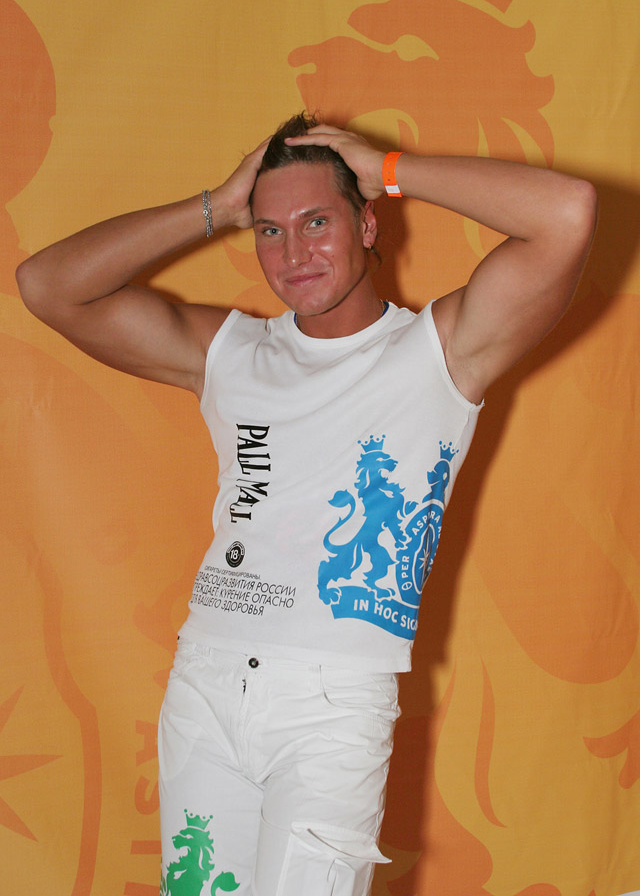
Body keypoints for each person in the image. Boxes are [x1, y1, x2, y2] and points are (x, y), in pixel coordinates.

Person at [16, 112, 597, 896]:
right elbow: (46, 285)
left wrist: (387, 169)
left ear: (367, 223)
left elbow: (567, 213)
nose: (293, 253)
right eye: (269, 230)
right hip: (207, 687)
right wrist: (217, 206)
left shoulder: (440, 350)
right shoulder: (230, 350)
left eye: (317, 221)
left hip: (331, 706)